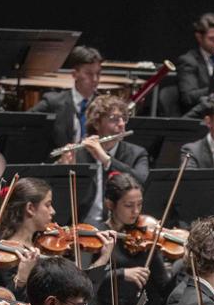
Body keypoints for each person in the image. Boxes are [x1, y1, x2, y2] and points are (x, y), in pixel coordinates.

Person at [0, 177, 115, 300]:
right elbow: (8, 304)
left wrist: (104, 257)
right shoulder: (6, 254)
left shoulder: (48, 244)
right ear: (30, 208)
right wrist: (21, 278)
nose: (53, 211)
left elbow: (79, 290)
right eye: (48, 205)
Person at [90, 171, 173, 305]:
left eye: (139, 204)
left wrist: (186, 266)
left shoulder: (144, 237)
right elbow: (87, 280)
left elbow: (164, 286)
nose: (136, 211)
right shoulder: (99, 236)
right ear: (110, 204)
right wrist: (122, 273)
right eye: (129, 205)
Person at [57, 94, 150, 222]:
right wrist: (64, 170)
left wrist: (107, 160)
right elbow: (62, 199)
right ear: (96, 123)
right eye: (114, 119)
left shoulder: (136, 153)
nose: (122, 124)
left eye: (124, 118)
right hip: (82, 227)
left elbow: (143, 182)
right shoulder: (79, 154)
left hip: (120, 227)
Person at [30, 46, 103, 149]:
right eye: (89, 74)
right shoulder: (53, 103)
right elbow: (24, 124)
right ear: (74, 74)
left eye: (98, 73)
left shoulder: (104, 106)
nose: (95, 79)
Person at [176, 13, 214, 113]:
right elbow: (188, 97)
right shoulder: (188, 60)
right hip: (199, 115)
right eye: (212, 39)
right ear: (199, 37)